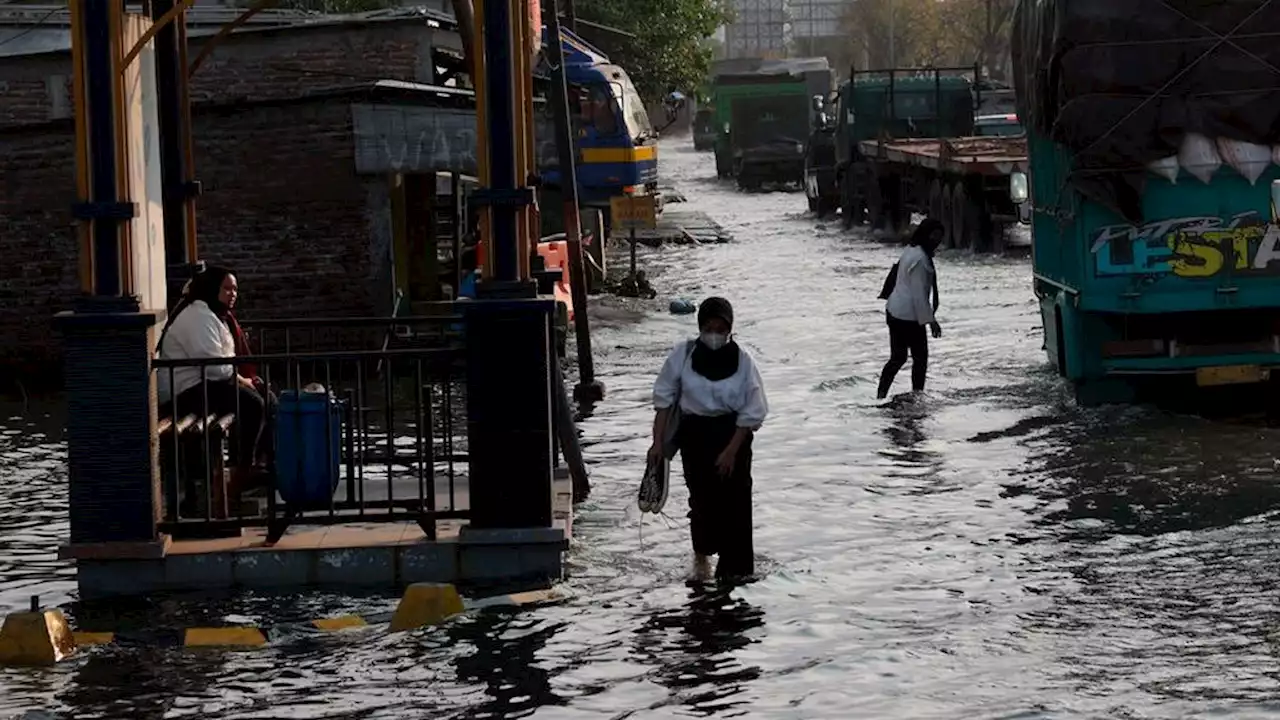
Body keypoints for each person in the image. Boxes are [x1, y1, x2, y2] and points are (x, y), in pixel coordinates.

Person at [649, 297, 768, 582]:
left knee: (737, 505)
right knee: (702, 501)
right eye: (709, 327)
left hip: (733, 436)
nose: (715, 334)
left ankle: (736, 575)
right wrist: (657, 444)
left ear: (730, 329)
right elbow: (664, 402)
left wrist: (730, 452)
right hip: (695, 436)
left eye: (721, 328)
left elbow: (752, 412)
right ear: (700, 327)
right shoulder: (684, 355)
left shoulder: (744, 361)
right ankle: (701, 560)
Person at [157, 266, 273, 497]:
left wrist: (244, 381)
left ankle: (258, 463)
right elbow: (215, 368)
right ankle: (244, 468)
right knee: (252, 402)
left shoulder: (213, 315)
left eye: (235, 289)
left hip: (204, 386)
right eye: (227, 288)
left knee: (267, 398)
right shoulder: (198, 316)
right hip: (184, 393)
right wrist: (242, 381)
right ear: (213, 289)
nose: (233, 294)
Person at [877, 218, 944, 399]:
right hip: (908, 317)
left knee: (898, 358)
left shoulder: (911, 250)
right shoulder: (921, 260)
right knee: (920, 359)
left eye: (939, 237)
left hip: (894, 311)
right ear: (926, 235)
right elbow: (919, 296)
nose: (937, 241)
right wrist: (932, 322)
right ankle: (917, 396)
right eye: (934, 236)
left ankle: (881, 395)